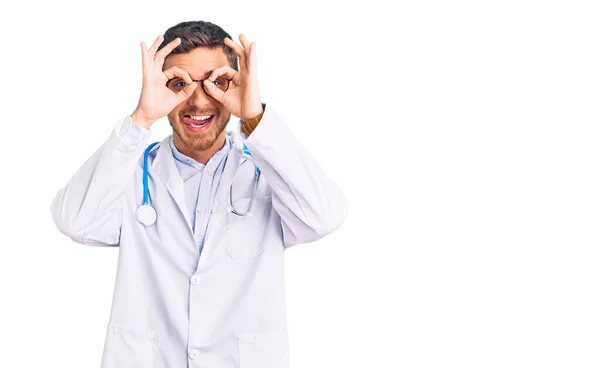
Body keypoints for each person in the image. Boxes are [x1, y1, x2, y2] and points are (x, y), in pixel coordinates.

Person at [50, 20, 348, 368]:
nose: (198, 100)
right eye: (179, 84)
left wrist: (254, 117)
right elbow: (75, 221)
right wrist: (141, 119)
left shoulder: (269, 175)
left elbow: (324, 216)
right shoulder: (128, 176)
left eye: (217, 83)